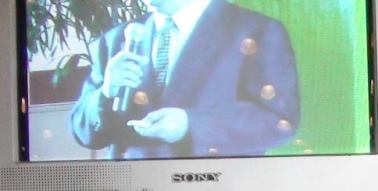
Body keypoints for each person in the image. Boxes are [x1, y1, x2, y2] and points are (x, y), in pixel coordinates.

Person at [71, 0, 299, 159]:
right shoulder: (116, 39)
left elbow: (278, 122)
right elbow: (83, 133)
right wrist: (106, 92)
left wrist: (189, 124)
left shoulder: (256, 30)